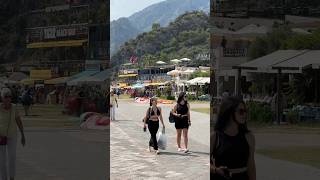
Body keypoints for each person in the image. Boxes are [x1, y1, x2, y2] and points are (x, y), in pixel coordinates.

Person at [210, 96, 256, 180]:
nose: (244, 114)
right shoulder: (215, 137)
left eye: (245, 111)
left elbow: (251, 165)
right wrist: (215, 169)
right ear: (230, 113)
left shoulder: (249, 137)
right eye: (241, 111)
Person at [0, 88, 26, 180]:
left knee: (12, 158)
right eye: (5, 96)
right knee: (2, 160)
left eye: (9, 96)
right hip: (1, 137)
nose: (8, 98)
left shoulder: (14, 107)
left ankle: (11, 178)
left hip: (12, 136)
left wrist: (23, 135)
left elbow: (19, 121)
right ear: (2, 98)